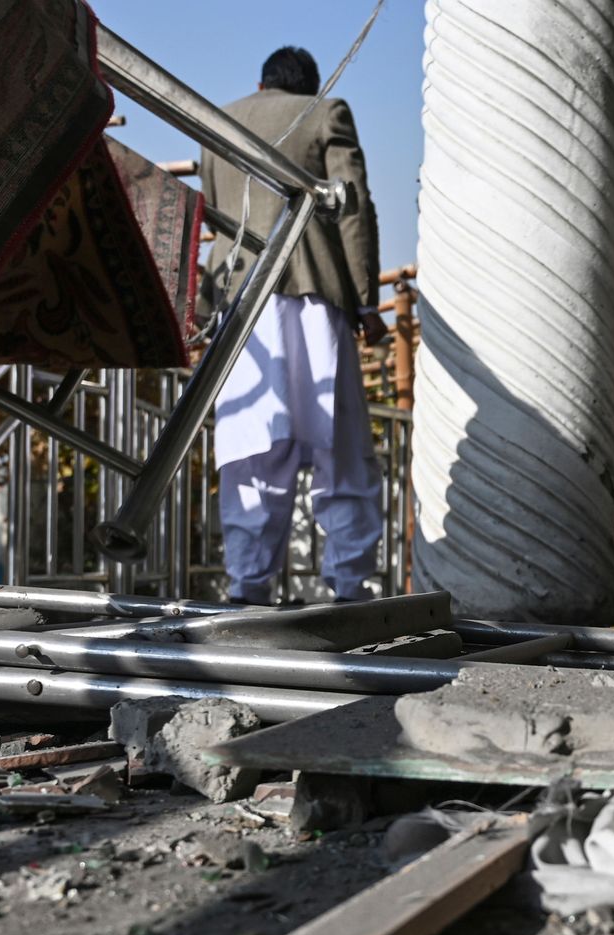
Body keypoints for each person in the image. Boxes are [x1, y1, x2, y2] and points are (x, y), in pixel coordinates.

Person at [202, 46, 385, 604]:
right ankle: (351, 585)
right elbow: (352, 207)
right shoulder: (325, 111)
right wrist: (364, 301)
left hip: (238, 303)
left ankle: (246, 585)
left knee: (252, 451)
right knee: (341, 447)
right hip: (311, 294)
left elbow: (214, 212)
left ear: (262, 83)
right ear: (307, 85)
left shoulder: (218, 120)